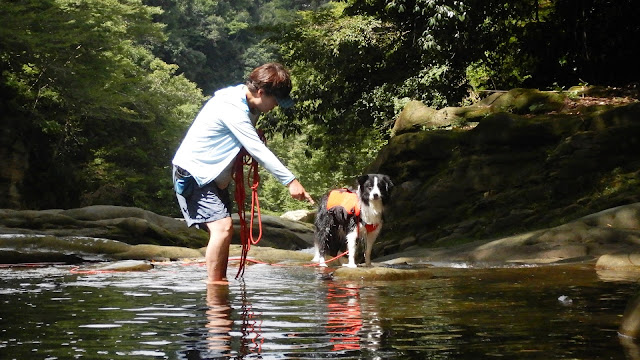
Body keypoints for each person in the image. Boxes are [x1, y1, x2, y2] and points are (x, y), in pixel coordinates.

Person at [172, 62, 314, 284]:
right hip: (195, 174)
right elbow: (257, 148)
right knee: (223, 228)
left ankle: (220, 283)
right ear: (260, 92)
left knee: (223, 232)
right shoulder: (231, 107)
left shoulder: (249, 105)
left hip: (215, 177)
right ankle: (216, 288)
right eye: (275, 100)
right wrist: (290, 181)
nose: (276, 105)